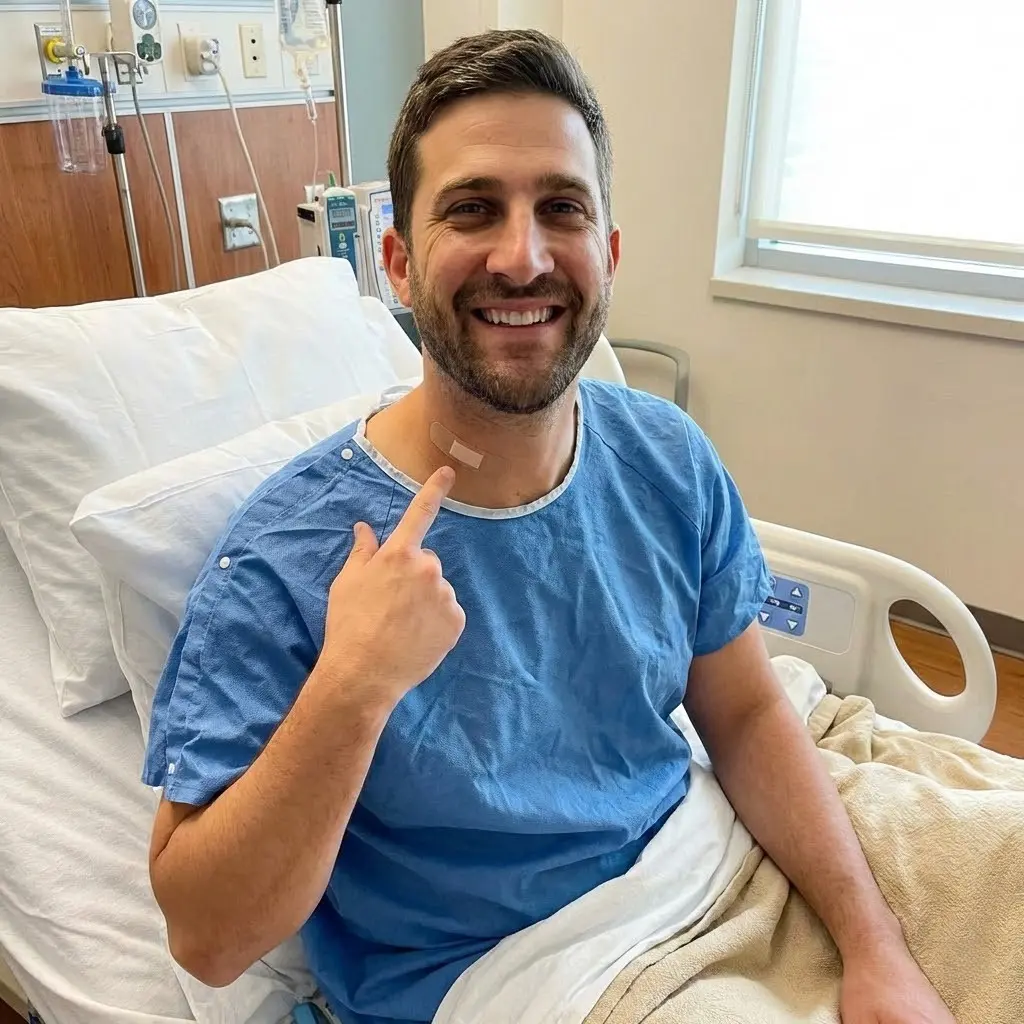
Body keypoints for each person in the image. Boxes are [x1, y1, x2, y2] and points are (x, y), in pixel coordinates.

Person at [145, 28, 954, 1024]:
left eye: (561, 208)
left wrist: (875, 947)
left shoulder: (665, 457)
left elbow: (744, 716)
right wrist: (351, 689)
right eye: (472, 209)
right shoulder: (286, 559)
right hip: (529, 977)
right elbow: (209, 940)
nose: (522, 257)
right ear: (398, 263)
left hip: (708, 870)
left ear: (606, 255)